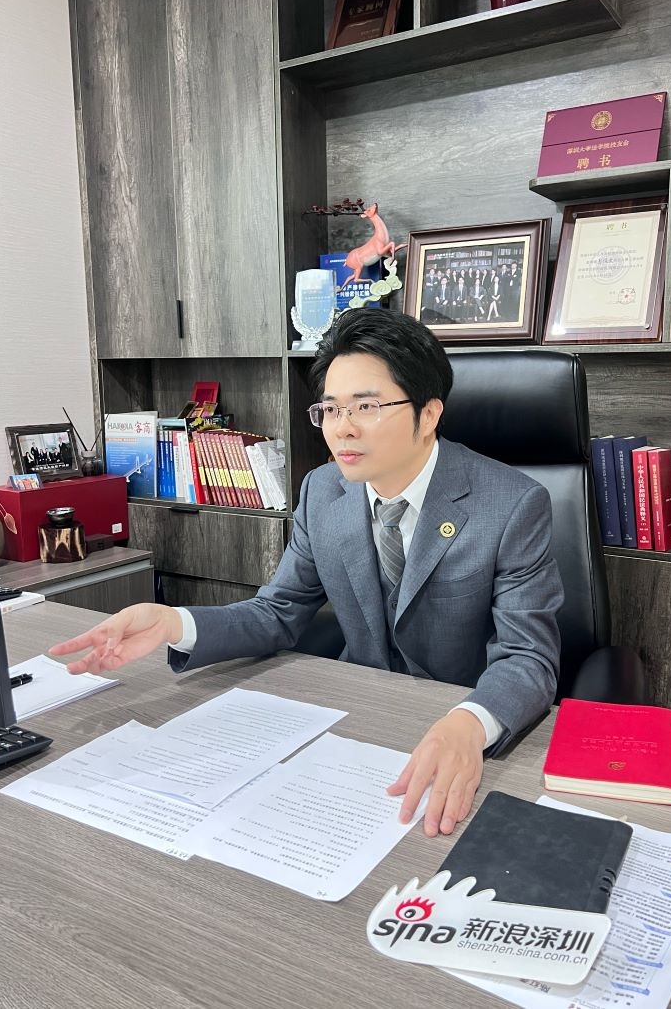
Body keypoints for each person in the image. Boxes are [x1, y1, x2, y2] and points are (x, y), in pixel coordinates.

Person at [50, 309, 563, 837]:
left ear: (428, 413)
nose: (342, 427)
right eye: (331, 409)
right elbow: (278, 611)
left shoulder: (511, 504)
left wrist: (471, 722)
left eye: (366, 406)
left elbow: (529, 657)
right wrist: (173, 623)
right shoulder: (323, 491)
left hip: (460, 728)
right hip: (358, 724)